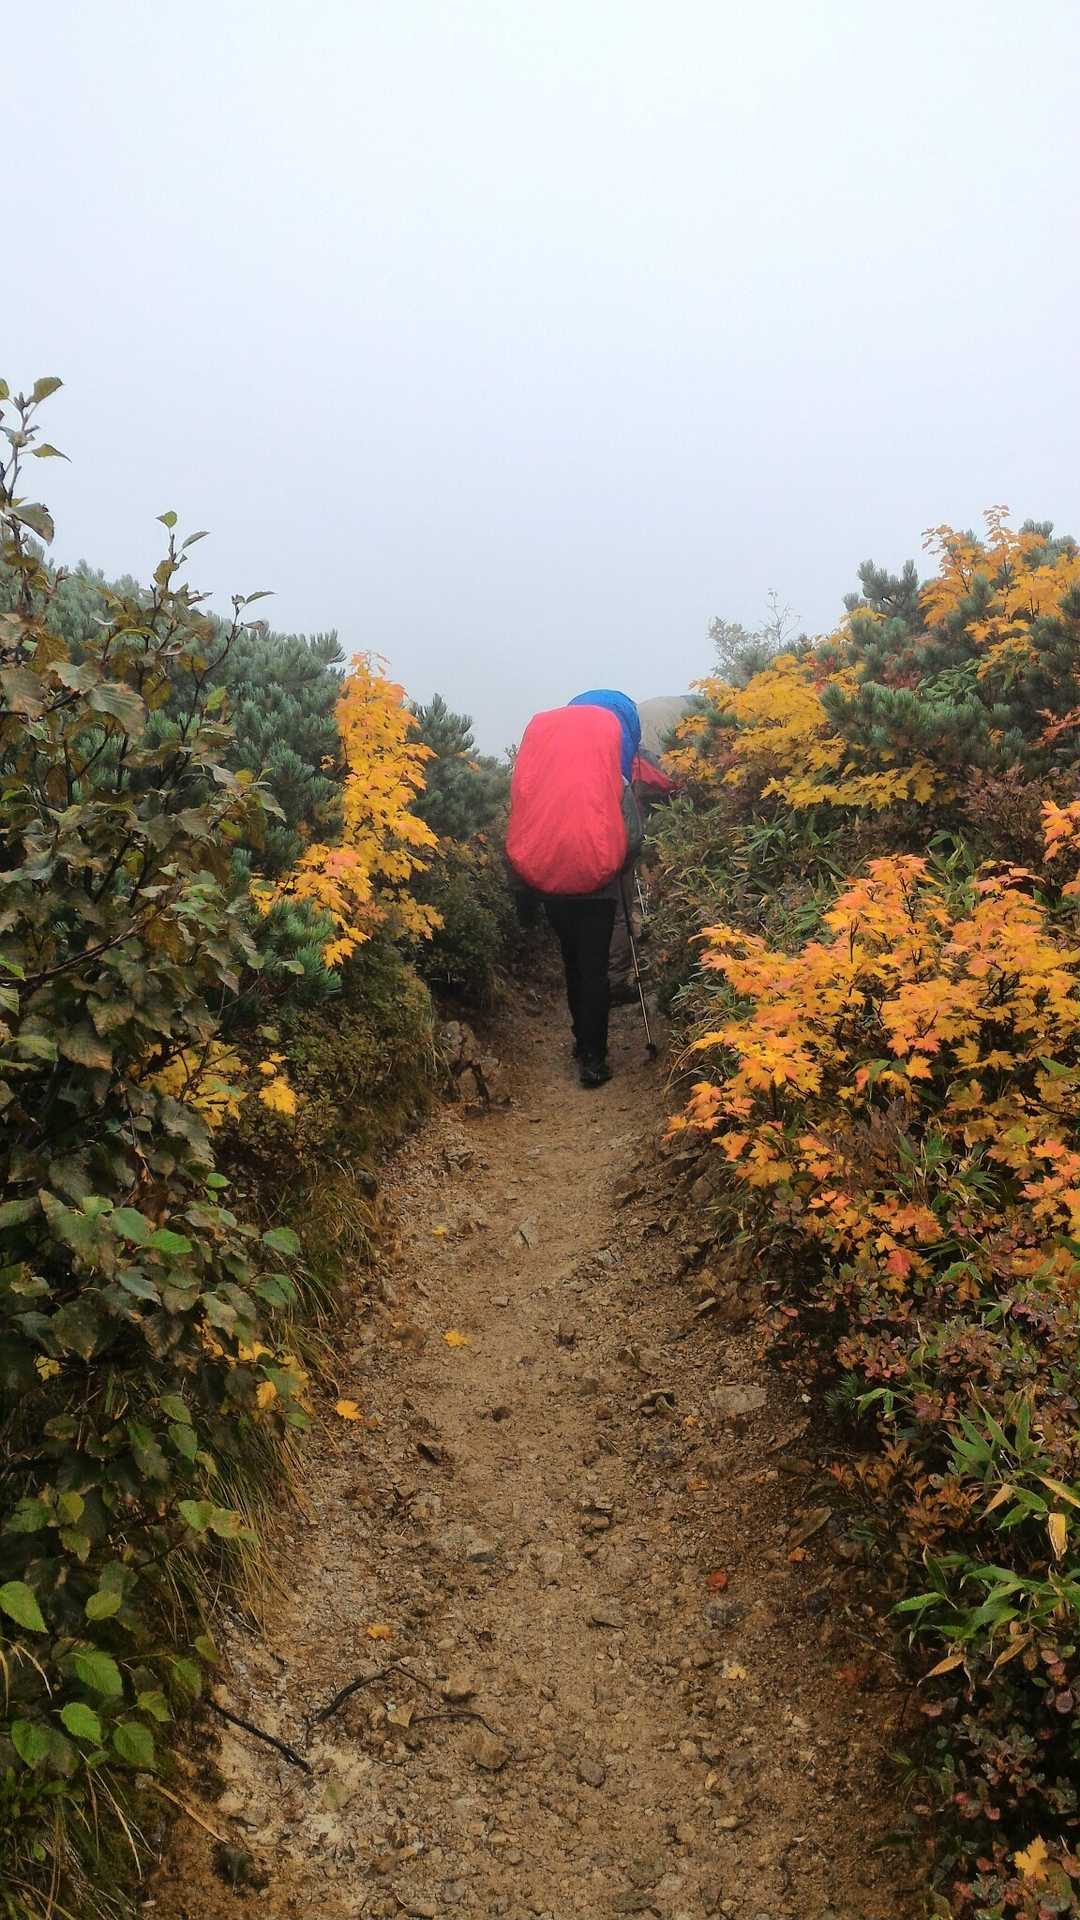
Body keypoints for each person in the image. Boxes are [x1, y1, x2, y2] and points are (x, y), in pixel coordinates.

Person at [506, 689, 642, 1089]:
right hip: (599, 884)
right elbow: (633, 835)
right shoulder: (611, 776)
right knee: (594, 967)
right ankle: (594, 1059)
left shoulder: (541, 784)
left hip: (552, 885)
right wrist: (623, 866)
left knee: (572, 961)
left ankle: (581, 1041)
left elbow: (521, 823)